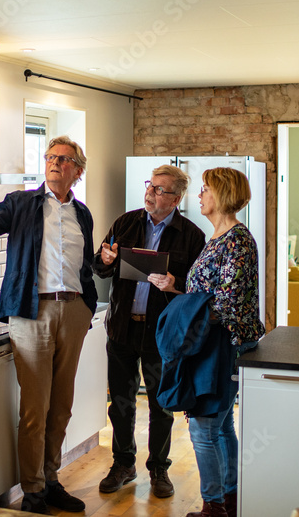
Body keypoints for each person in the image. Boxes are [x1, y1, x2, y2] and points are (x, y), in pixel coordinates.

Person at [0, 136, 97, 515]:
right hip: (32, 313)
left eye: (64, 160)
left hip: (75, 311)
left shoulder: (82, 214)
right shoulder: (21, 204)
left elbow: (85, 264)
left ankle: (51, 479)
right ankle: (33, 490)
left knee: (62, 407)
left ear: (77, 172)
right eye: (51, 157)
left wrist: (89, 301)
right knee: (36, 408)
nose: (54, 164)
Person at [155, 167, 263, 517]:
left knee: (204, 428)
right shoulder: (217, 237)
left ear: (223, 194)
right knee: (220, 425)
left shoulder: (237, 240)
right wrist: (177, 287)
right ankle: (229, 499)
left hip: (222, 346)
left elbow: (227, 304)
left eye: (205, 189)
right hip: (210, 343)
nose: (199, 195)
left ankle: (213, 506)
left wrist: (185, 311)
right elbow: (207, 293)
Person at [94, 165, 206, 498]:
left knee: (161, 406)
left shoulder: (191, 236)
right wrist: (106, 259)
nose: (151, 193)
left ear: (177, 197)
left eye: (159, 189)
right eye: (150, 185)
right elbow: (98, 266)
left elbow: (199, 291)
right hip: (122, 329)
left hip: (162, 334)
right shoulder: (125, 223)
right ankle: (123, 464)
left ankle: (159, 468)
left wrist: (175, 284)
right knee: (122, 404)